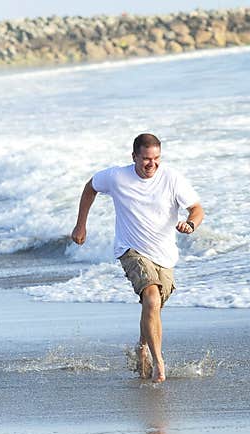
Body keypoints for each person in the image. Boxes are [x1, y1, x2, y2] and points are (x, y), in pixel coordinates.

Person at [72, 133, 204, 383]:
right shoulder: (116, 176)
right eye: (145, 159)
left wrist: (191, 224)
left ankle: (142, 347)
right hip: (130, 249)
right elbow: (90, 187)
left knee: (152, 306)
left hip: (164, 256)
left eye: (156, 159)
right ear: (134, 157)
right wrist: (81, 225)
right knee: (152, 299)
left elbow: (197, 209)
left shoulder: (172, 178)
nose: (151, 164)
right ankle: (159, 363)